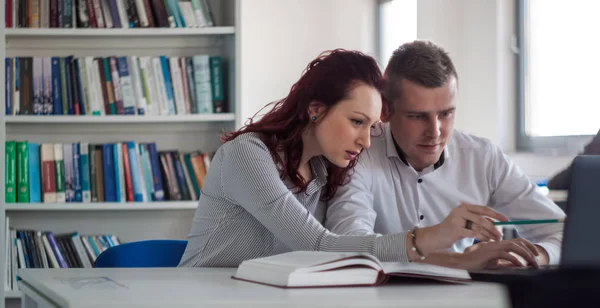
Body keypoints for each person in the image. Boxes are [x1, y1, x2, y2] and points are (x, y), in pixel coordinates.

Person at [177, 49, 509, 267]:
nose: (366, 141)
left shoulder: (323, 170)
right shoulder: (248, 155)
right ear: (316, 110)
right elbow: (321, 246)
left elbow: (346, 246)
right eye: (356, 121)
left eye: (372, 126)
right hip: (202, 295)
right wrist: (434, 236)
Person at [325, 40, 565, 270]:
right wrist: (455, 261)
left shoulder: (482, 158)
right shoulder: (358, 151)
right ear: (385, 110)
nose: (435, 132)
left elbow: (562, 231)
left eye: (446, 114)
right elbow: (348, 248)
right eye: (417, 116)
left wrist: (527, 258)